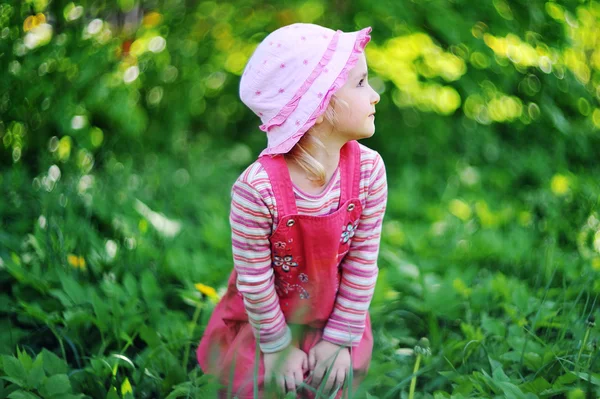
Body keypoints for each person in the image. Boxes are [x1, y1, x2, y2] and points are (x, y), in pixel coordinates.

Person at [197, 22, 387, 398]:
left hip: (335, 318)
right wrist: (277, 347)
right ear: (319, 107)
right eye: (361, 83)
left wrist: (337, 341)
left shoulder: (369, 171)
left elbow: (363, 262)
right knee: (259, 389)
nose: (376, 95)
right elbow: (254, 280)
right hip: (268, 323)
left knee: (331, 386)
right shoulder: (257, 190)